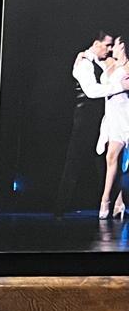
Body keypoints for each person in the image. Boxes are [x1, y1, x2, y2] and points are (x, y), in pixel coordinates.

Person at [56, 31, 129, 217]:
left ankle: (115, 202)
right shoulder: (85, 63)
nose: (110, 49)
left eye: (113, 45)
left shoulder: (104, 62)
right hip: (89, 118)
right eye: (108, 45)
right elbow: (91, 91)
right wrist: (120, 86)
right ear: (97, 44)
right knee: (81, 159)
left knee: (111, 161)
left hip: (113, 115)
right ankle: (62, 206)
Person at [95, 37, 129, 221]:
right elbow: (94, 57)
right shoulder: (109, 62)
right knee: (113, 158)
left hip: (125, 116)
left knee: (117, 159)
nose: (110, 49)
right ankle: (117, 201)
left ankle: (107, 199)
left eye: (114, 45)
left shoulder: (128, 67)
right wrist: (83, 55)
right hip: (111, 117)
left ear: (122, 46)